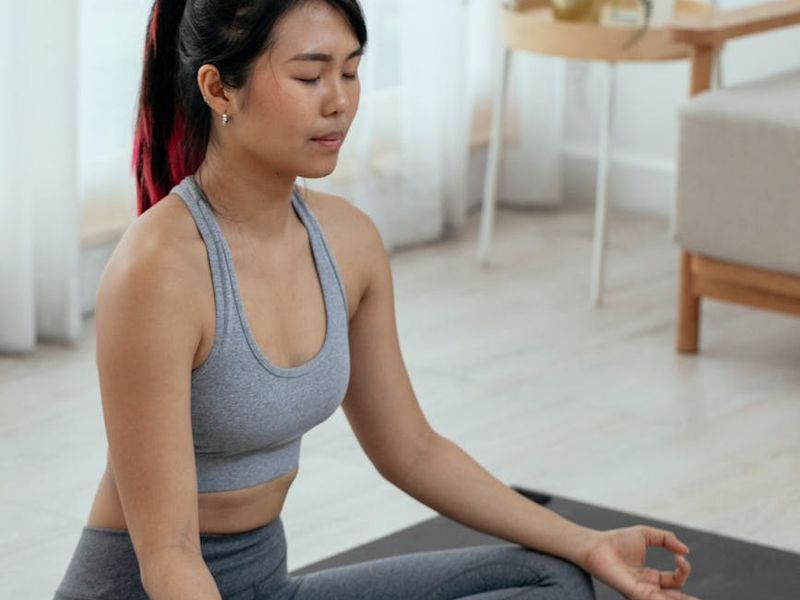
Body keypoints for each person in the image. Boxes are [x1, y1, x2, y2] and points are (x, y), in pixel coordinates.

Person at [53, 1, 698, 598]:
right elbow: (168, 554)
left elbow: (412, 449)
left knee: (552, 579)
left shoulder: (347, 242)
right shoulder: (160, 269)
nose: (339, 102)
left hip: (265, 586)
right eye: (310, 77)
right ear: (219, 89)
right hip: (154, 589)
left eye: (351, 72)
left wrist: (589, 543)